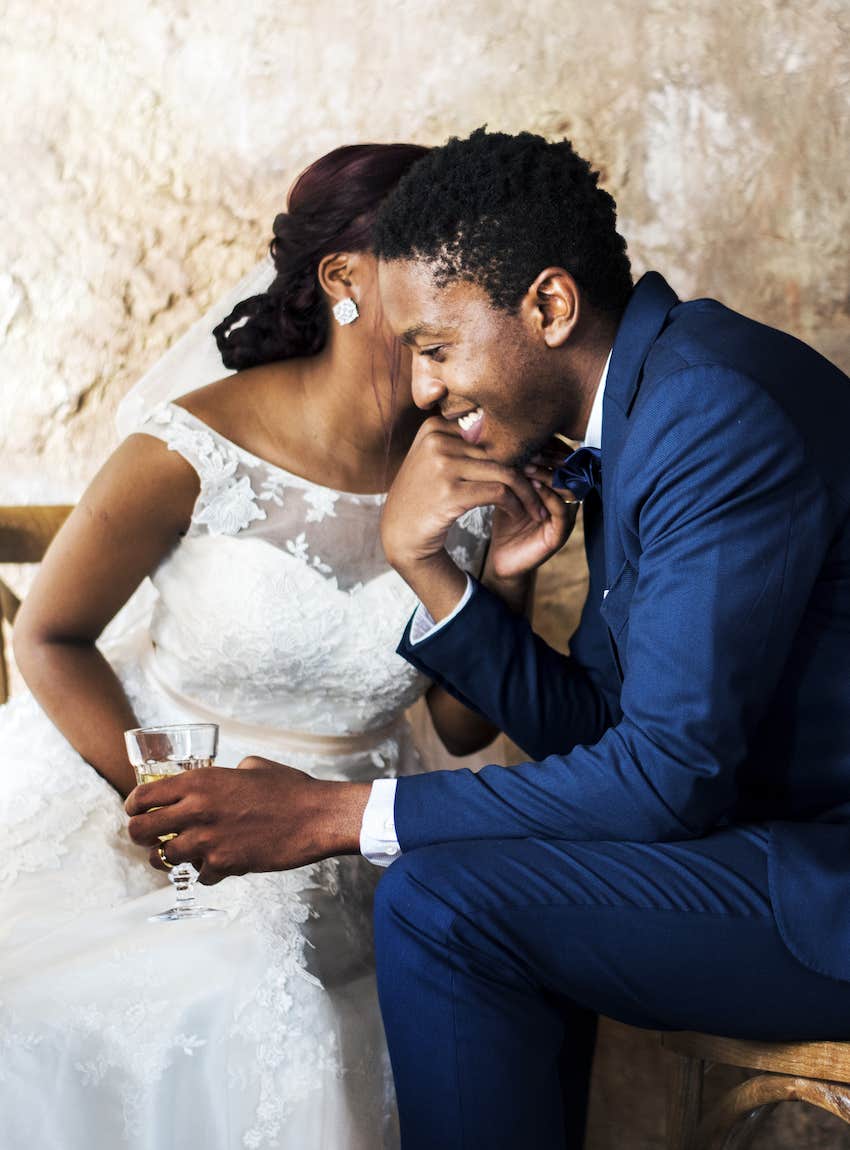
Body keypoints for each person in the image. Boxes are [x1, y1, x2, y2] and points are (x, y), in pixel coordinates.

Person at [129, 127, 850, 1149]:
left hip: (823, 879)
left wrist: (329, 815)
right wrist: (431, 570)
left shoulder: (706, 410)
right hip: (767, 841)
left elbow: (663, 779)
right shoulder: (645, 404)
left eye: (434, 344)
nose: (423, 388)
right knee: (455, 882)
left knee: (441, 906)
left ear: (548, 306)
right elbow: (606, 734)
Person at [0, 141, 546, 1150]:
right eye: (442, 258)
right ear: (345, 278)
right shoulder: (189, 447)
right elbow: (49, 633)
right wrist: (151, 795)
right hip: (154, 790)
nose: (472, 289)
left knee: (328, 993)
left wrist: (506, 571)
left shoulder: (470, 457)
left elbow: (462, 727)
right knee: (148, 1001)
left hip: (356, 822)